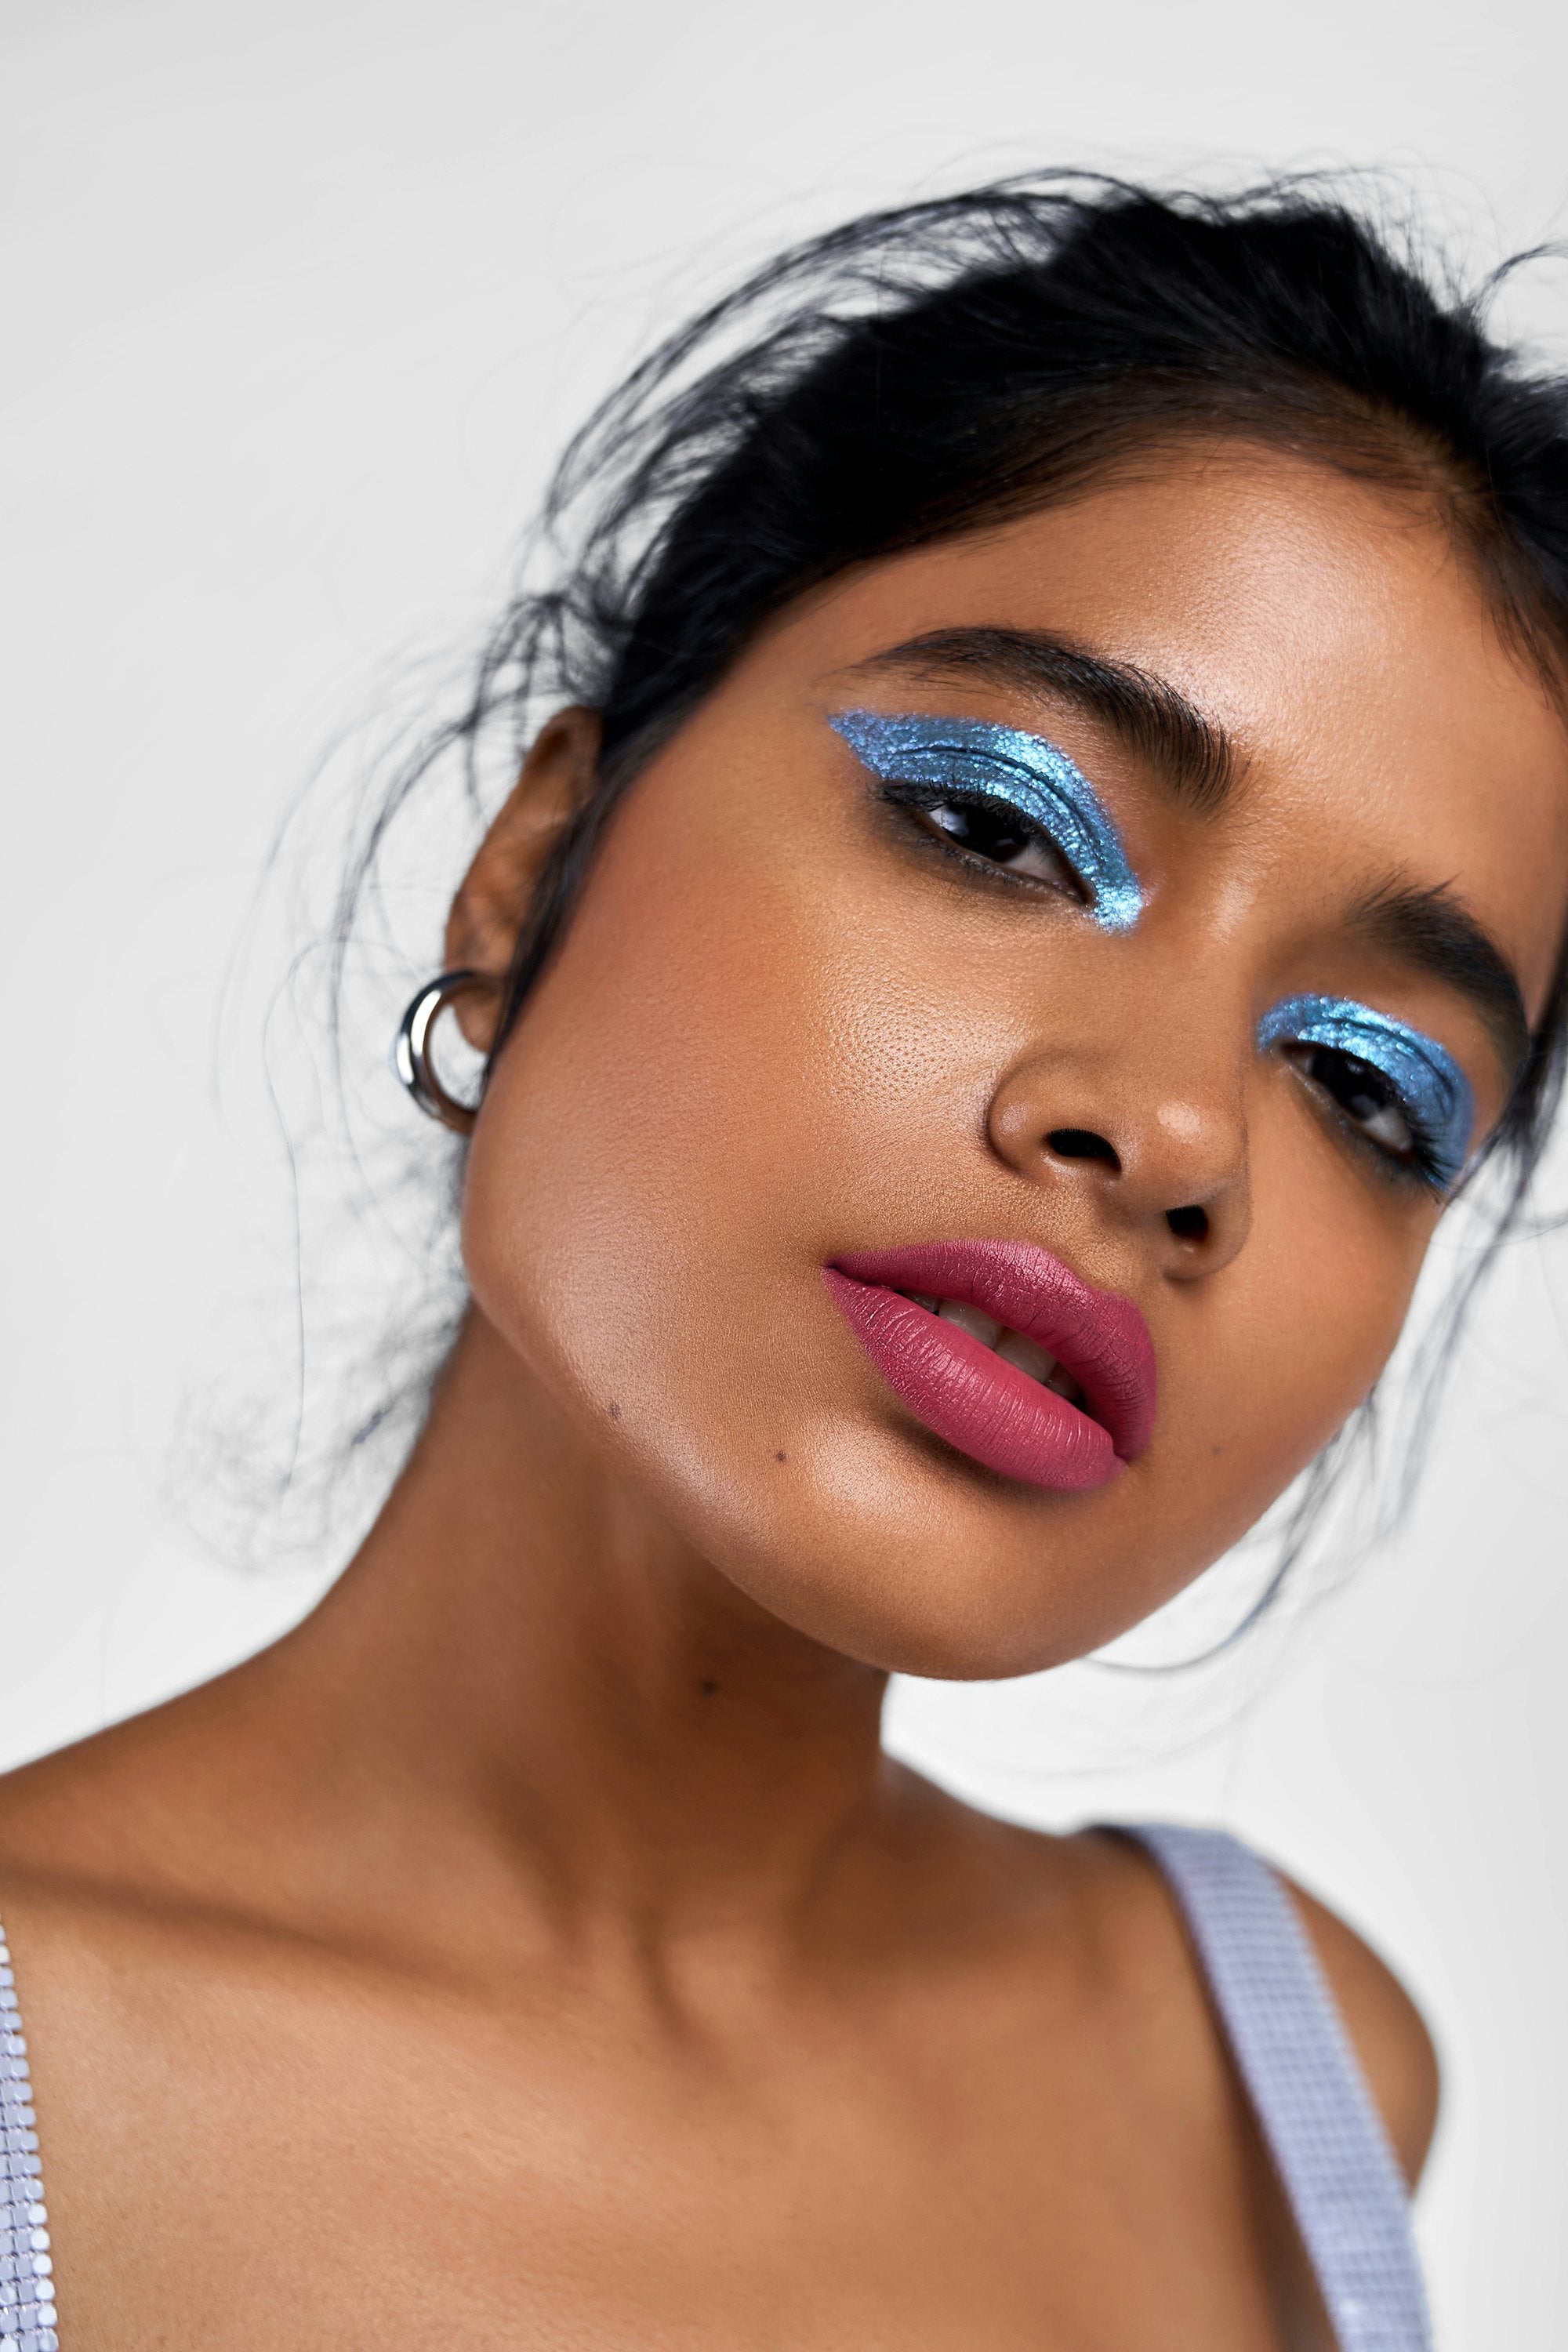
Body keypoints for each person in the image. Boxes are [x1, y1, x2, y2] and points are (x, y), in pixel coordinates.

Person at [2, 173, 1566, 2352]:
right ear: (532, 868)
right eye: (1001, 825)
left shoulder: (1290, 2083)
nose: (1183, 1131)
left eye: (1371, 1086)